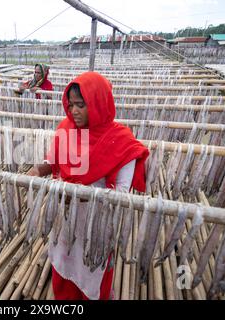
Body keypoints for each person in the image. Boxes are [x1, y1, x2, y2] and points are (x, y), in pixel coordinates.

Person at [27, 72, 149, 300]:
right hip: (65, 217)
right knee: (63, 263)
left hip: (97, 222)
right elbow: (52, 158)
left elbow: (121, 194)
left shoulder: (121, 141)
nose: (74, 111)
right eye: (71, 104)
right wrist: (38, 169)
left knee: (93, 271)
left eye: (81, 105)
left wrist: (81, 197)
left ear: (99, 103)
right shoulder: (67, 128)